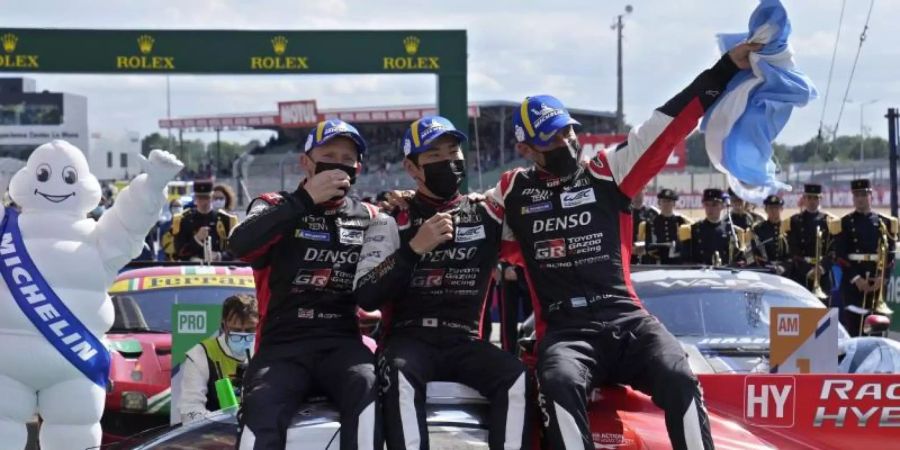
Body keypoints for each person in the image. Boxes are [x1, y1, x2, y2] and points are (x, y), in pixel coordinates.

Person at [484, 42, 760, 450]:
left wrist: (724, 69)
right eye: (553, 137)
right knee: (557, 383)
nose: (567, 140)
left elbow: (665, 126)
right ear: (525, 148)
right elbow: (467, 231)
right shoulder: (512, 192)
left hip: (627, 319)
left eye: (568, 129)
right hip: (565, 331)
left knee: (679, 375)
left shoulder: (608, 172)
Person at [354, 116, 529, 450]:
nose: (449, 162)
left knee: (516, 377)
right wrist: (413, 248)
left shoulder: (486, 212)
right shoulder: (390, 218)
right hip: (408, 341)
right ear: (412, 167)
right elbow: (368, 295)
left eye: (454, 152)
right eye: (435, 156)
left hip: (464, 340)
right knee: (399, 375)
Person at [229, 119, 381, 450]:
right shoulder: (272, 203)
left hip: (341, 341)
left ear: (358, 167)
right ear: (306, 162)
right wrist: (304, 200)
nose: (338, 163)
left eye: (347, 157)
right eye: (329, 154)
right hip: (282, 345)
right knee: (261, 407)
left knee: (369, 384)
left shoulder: (371, 215)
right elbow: (239, 246)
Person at [832, 179, 898, 336]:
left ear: (871, 196)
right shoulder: (845, 223)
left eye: (864, 194)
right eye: (857, 195)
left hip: (877, 285)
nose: (860, 198)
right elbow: (840, 256)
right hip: (853, 285)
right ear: (853, 198)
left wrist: (882, 278)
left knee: (876, 333)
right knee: (856, 332)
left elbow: (891, 254)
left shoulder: (885, 223)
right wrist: (856, 279)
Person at [180, 294, 258, 424]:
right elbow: (189, 412)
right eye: (236, 330)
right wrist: (227, 421)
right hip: (215, 436)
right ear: (223, 326)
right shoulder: (201, 354)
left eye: (250, 330)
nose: (243, 336)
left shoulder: (265, 352)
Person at [787, 184, 837, 300]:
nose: (812, 201)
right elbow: (793, 248)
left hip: (823, 273)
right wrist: (807, 270)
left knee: (822, 312)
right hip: (802, 272)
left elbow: (833, 249)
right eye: (809, 198)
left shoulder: (829, 221)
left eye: (815, 198)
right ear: (804, 199)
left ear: (820, 199)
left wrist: (822, 268)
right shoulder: (795, 221)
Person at [172, 180, 238, 262]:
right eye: (200, 198)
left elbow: (236, 251)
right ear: (195, 198)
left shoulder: (226, 220)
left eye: (207, 197)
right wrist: (196, 239)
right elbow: (179, 251)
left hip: (219, 269)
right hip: (191, 269)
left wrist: (219, 256)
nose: (204, 202)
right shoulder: (184, 220)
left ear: (212, 197)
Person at [680, 188, 747, 266]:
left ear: (722, 206)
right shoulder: (693, 230)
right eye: (707, 204)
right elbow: (685, 260)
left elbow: (740, 260)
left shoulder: (732, 230)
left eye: (714, 205)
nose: (710, 208)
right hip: (700, 275)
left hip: (724, 275)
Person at [638, 188, 692, 265]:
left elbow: (687, 245)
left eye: (669, 201)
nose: (666, 204)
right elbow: (648, 246)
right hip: (657, 263)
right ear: (659, 203)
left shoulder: (682, 221)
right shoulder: (650, 223)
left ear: (674, 204)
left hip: (677, 263)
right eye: (664, 201)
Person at [750, 195, 790, 274]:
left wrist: (784, 266)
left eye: (776, 208)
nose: (773, 211)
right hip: (765, 271)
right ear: (766, 210)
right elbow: (754, 253)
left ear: (781, 209)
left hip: (786, 272)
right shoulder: (758, 229)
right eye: (770, 208)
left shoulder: (789, 228)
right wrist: (766, 266)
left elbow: (792, 252)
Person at [630, 190, 659, 264]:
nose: (637, 196)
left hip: (649, 257)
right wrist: (631, 249)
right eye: (635, 192)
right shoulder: (625, 212)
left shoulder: (653, 212)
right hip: (630, 256)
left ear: (644, 193)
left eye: (639, 192)